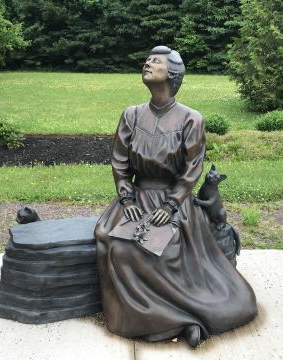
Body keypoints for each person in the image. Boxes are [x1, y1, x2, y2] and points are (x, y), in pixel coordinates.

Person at [94, 45, 257, 348]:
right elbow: (119, 162)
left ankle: (186, 317)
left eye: (155, 61)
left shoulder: (190, 119)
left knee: (164, 248)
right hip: (137, 199)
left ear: (172, 74)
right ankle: (159, 320)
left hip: (173, 202)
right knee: (116, 245)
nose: (147, 63)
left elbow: (192, 168)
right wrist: (126, 197)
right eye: (148, 59)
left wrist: (171, 205)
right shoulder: (131, 115)